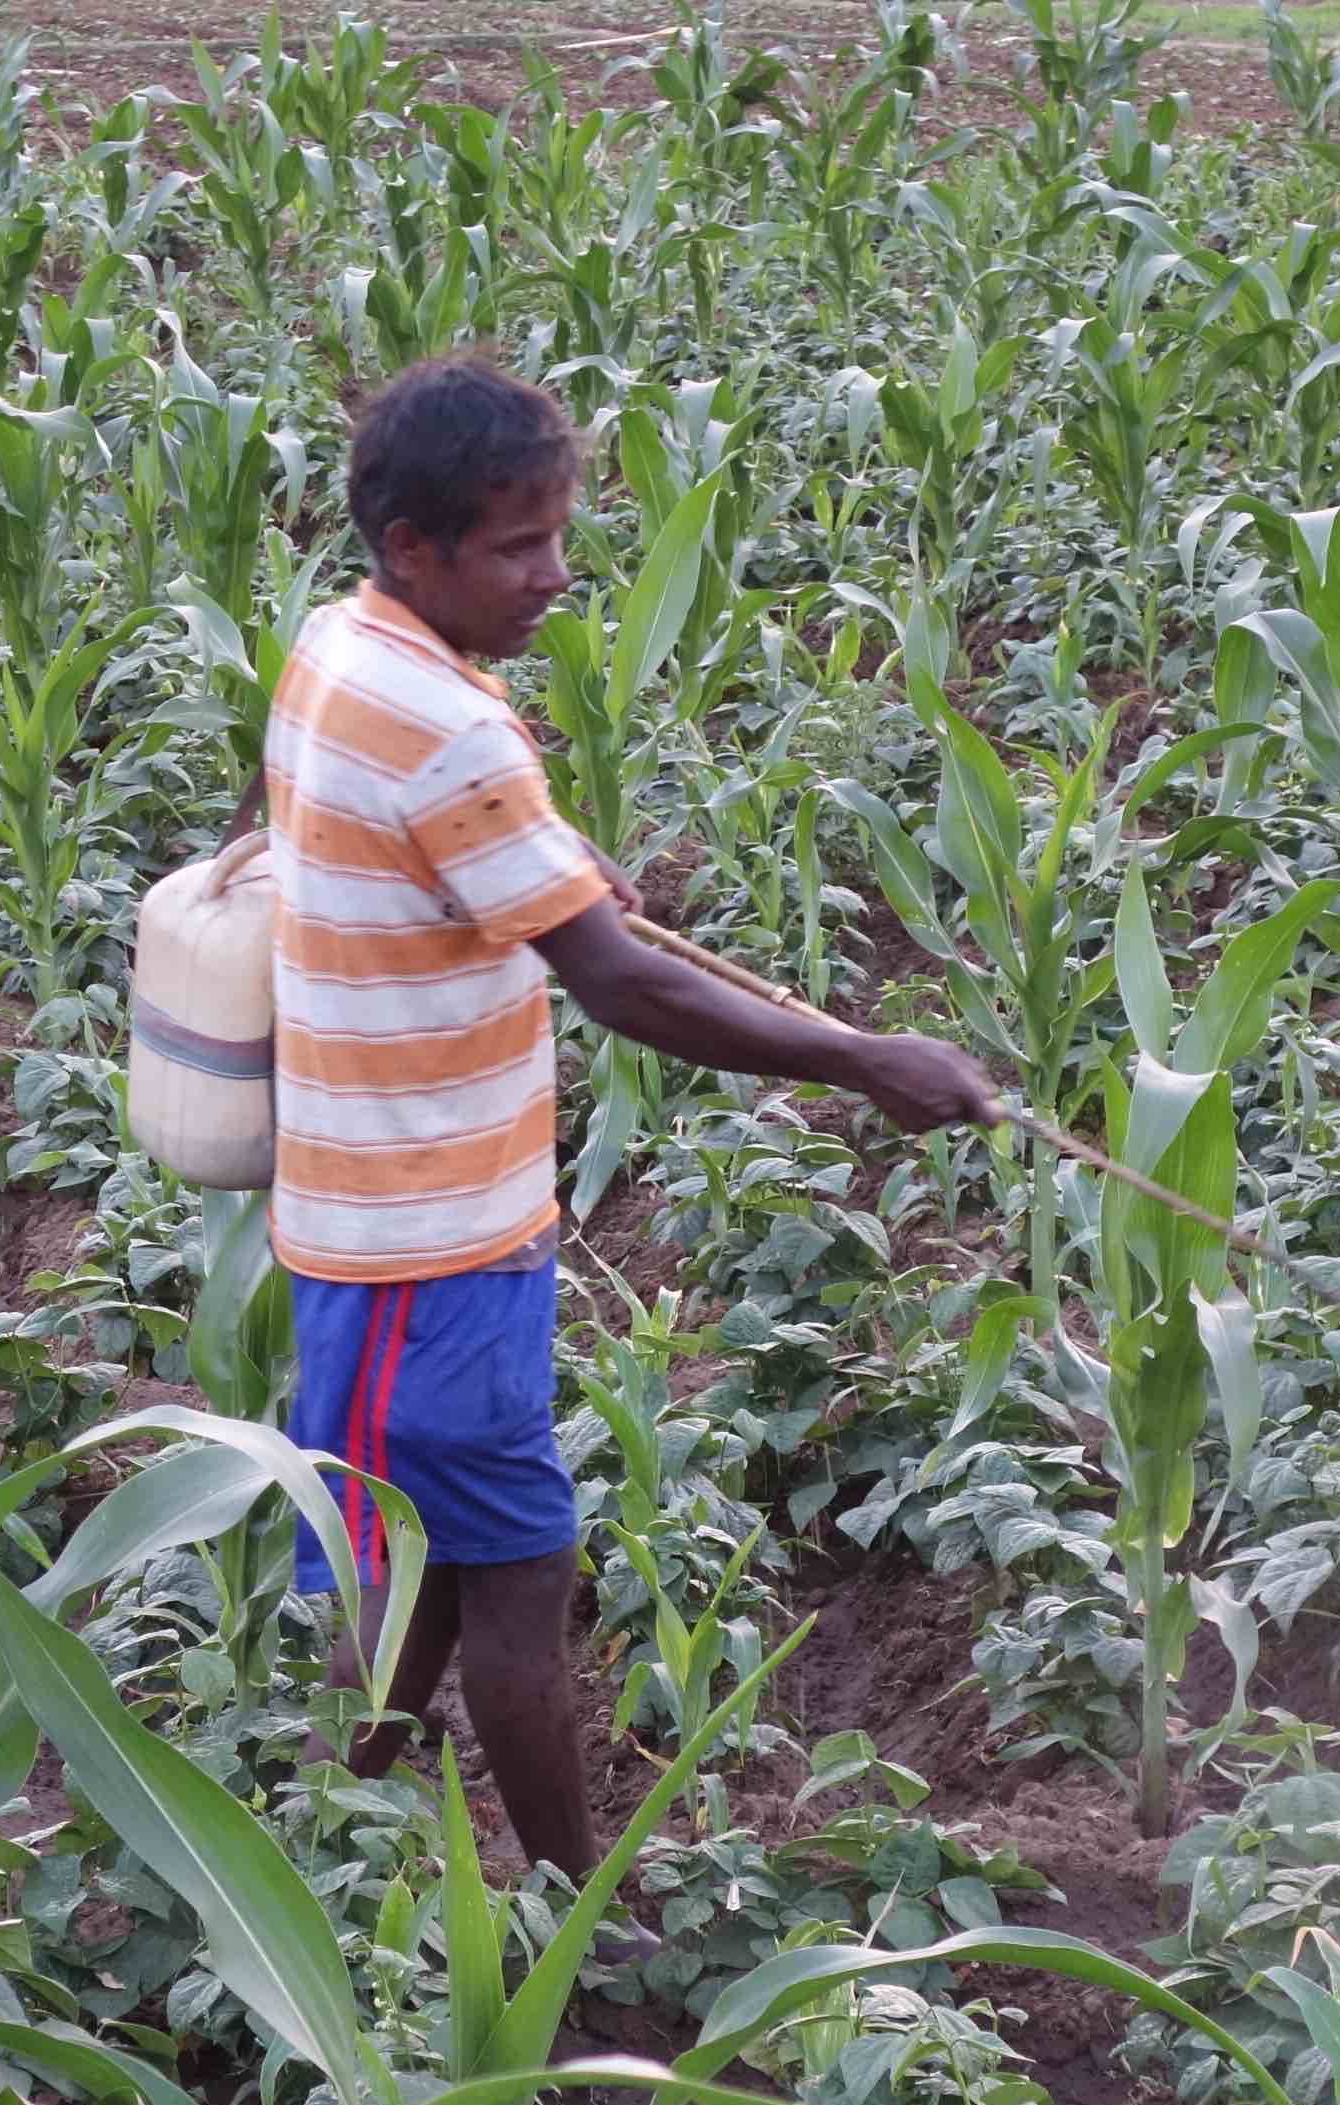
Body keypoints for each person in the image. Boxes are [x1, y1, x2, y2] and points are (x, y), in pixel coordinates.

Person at [260, 352, 999, 1884]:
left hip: (417, 1219)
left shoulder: (348, 647)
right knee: (516, 1574)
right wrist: (865, 1058)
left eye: (557, 533)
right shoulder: (439, 720)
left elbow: (442, 841)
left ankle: (334, 1834)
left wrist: (552, 856)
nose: (556, 575)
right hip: (422, 1244)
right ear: (418, 550)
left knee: (426, 1576)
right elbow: (620, 986)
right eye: (519, 545)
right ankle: (576, 1909)